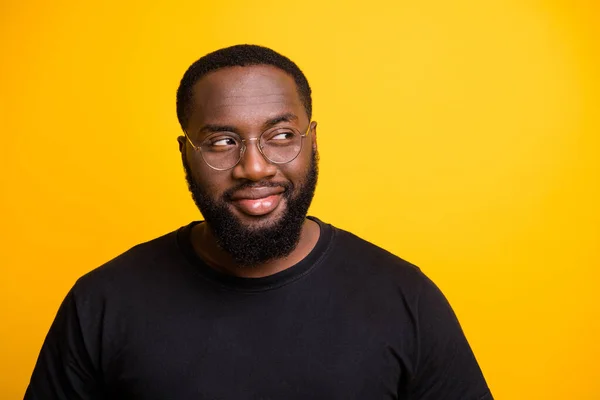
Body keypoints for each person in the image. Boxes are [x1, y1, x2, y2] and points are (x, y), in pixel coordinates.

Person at [25, 44, 493, 399]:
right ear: (186, 154)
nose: (255, 167)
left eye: (282, 135)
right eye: (223, 141)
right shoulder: (102, 303)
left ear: (312, 142)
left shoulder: (405, 299)